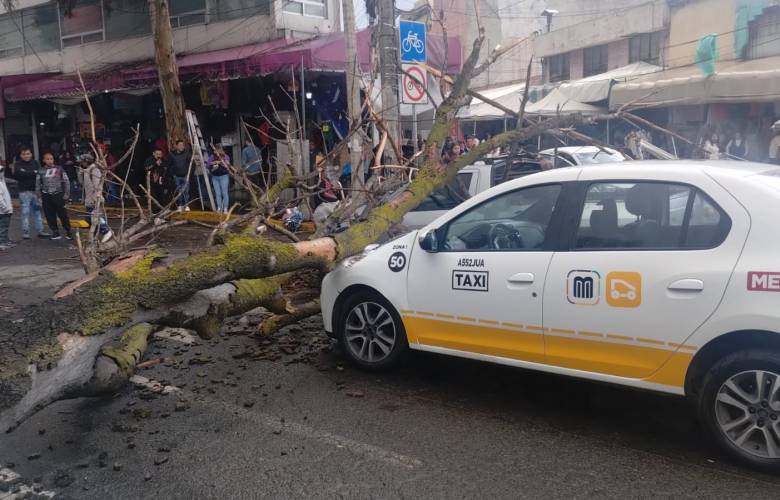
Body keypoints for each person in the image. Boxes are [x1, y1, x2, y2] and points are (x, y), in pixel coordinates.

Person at [10, 146, 48, 239]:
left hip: (36, 191)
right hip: (24, 192)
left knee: (37, 212)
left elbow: (40, 173)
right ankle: (25, 233)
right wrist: (33, 172)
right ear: (21, 155)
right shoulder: (18, 164)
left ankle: (40, 231)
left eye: (28, 153)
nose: (26, 156)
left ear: (31, 154)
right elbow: (18, 174)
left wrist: (27, 172)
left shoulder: (35, 162)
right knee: (25, 212)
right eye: (24, 154)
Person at [36, 152, 72, 240]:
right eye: (47, 159)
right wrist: (39, 197)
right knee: (49, 214)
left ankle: (68, 231)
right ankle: (55, 232)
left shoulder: (59, 169)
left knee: (63, 214)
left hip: (58, 194)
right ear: (44, 160)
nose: (49, 161)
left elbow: (66, 181)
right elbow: (37, 185)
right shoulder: (40, 170)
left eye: (51, 159)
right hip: (46, 195)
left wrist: (67, 194)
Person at [78, 153, 112, 242]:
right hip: (88, 198)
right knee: (89, 218)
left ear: (87, 161)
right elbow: (82, 183)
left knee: (93, 217)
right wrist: (80, 172)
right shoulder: (86, 170)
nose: (81, 163)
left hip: (94, 198)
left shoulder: (94, 170)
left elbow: (97, 186)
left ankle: (106, 230)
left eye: (82, 162)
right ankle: (95, 236)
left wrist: (96, 198)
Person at [169, 140, 193, 212]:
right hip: (177, 176)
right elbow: (169, 165)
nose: (181, 146)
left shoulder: (187, 153)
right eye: (180, 145)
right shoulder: (172, 154)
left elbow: (192, 164)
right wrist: (173, 174)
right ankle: (180, 205)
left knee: (186, 191)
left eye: (182, 145)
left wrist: (189, 174)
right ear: (176, 146)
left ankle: (186, 205)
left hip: (185, 175)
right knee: (179, 191)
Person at [208, 145, 232, 213]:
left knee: (224, 192)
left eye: (217, 150)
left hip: (224, 176)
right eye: (215, 150)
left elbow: (228, 166)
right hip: (215, 177)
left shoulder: (225, 156)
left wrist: (222, 162)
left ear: (220, 150)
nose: (216, 151)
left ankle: (225, 208)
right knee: (217, 193)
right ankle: (219, 207)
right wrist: (215, 162)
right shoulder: (212, 156)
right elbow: (208, 164)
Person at [0, 162, 14, 250]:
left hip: (6, 210)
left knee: (4, 226)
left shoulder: (2, 181)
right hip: (3, 210)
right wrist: (5, 208)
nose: (2, 173)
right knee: (3, 227)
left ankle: (5, 240)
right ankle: (2, 242)